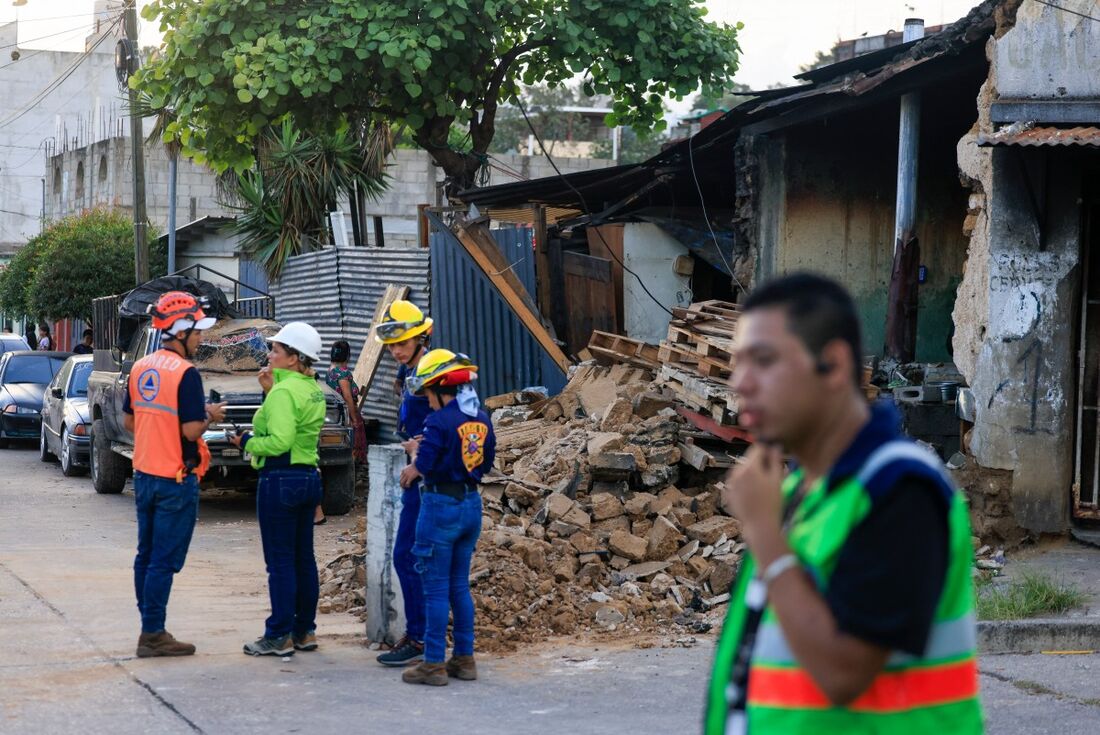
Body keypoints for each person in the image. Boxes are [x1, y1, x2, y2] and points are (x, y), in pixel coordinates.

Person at [704, 273, 982, 734]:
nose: (741, 382)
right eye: (738, 363)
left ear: (832, 365)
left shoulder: (900, 488)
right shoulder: (799, 492)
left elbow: (843, 672)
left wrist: (765, 535)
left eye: (764, 360)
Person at [124, 291, 226, 658]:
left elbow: (130, 421)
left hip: (145, 475)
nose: (201, 338)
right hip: (175, 479)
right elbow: (189, 432)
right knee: (165, 560)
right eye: (197, 331)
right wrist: (209, 416)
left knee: (147, 556)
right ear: (181, 330)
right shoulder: (186, 374)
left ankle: (149, 625)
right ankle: (152, 634)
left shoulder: (140, 367)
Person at [229, 322, 327, 657]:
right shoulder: (311, 389)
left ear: (295, 359)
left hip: (281, 479)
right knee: (302, 560)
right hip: (307, 478)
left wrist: (248, 441)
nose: (270, 355)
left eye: (277, 350)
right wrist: (270, 391)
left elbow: (281, 439)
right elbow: (295, 429)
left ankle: (279, 634)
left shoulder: (285, 393)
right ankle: (304, 631)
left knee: (281, 563)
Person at [398, 349, 494, 686]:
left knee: (435, 589)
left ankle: (434, 664)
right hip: (471, 505)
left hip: (440, 507)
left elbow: (424, 463)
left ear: (440, 389)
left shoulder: (438, 421)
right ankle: (465, 660)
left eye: (427, 392)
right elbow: (487, 461)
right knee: (458, 587)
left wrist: (414, 458)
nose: (426, 398)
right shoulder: (481, 417)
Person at [372, 300, 434, 667]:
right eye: (392, 344)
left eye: (403, 342)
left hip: (426, 478)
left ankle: (420, 636)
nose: (396, 350)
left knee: (409, 556)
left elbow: (451, 422)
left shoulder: (431, 369)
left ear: (420, 337)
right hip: (420, 473)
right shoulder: (414, 369)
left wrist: (420, 460)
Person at [325, 339, 367, 516]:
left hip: (336, 417)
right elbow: (348, 397)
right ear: (348, 355)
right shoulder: (343, 374)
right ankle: (351, 488)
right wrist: (354, 419)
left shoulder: (329, 371)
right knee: (355, 450)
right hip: (347, 416)